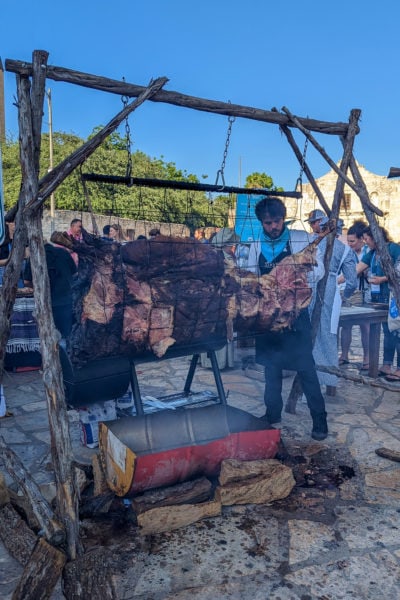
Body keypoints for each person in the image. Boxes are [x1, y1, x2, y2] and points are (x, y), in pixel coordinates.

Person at [246, 196, 328, 440]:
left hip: (295, 315)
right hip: (269, 317)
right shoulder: (256, 244)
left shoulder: (300, 238)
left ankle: (320, 422)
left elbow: (319, 270)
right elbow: (253, 276)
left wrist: (299, 276)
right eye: (268, 223)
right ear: (261, 222)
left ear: (284, 219)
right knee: (271, 370)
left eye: (277, 221)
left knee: (306, 369)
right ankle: (272, 415)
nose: (273, 227)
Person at [305, 211, 357, 393]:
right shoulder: (346, 251)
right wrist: (344, 296)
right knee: (327, 334)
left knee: (308, 332)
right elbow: (352, 281)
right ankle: (329, 380)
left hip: (308, 288)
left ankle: (310, 377)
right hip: (330, 291)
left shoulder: (312, 244)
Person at [357, 225, 400, 380]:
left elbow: (398, 271)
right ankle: (387, 364)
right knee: (388, 332)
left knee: (398, 331)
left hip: (395, 297)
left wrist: (382, 279)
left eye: (367, 239)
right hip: (380, 298)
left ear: (375, 237)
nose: (365, 242)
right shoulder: (372, 253)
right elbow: (358, 268)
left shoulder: (394, 249)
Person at [24, 233, 77, 338]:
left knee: (48, 335)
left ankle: (53, 353)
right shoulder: (63, 252)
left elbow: (26, 281)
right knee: (67, 335)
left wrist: (36, 286)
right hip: (66, 300)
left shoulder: (34, 257)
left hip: (46, 302)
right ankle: (66, 353)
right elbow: (75, 274)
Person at [338, 220, 370, 370]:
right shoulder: (346, 252)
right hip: (347, 292)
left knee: (365, 326)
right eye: (348, 241)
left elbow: (354, 272)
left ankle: (367, 358)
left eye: (352, 241)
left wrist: (335, 281)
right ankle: (344, 355)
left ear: (361, 239)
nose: (350, 244)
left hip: (363, 292)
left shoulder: (367, 253)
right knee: (346, 325)